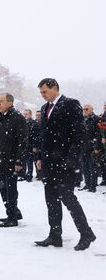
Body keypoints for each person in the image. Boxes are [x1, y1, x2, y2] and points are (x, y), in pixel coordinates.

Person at [34, 78, 96, 251]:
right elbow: (43, 136)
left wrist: (71, 159)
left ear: (55, 88)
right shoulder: (45, 108)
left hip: (65, 163)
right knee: (51, 200)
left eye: (45, 91)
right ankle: (55, 235)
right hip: (49, 162)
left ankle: (86, 233)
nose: (43, 95)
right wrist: (39, 156)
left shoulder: (71, 104)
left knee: (68, 199)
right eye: (41, 92)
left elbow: (79, 135)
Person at [0, 94, 27, 227]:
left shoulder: (17, 118)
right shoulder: (2, 117)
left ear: (10, 103)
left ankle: (12, 217)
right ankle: (12, 212)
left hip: (11, 160)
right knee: (3, 188)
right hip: (1, 159)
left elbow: (22, 141)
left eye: (1, 101)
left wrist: (18, 161)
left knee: (10, 189)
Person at [79, 104, 101, 192]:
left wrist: (96, 147)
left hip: (92, 148)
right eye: (83, 109)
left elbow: (99, 134)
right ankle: (87, 184)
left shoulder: (96, 119)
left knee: (93, 167)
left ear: (92, 109)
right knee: (85, 167)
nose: (85, 110)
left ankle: (93, 185)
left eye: (86, 109)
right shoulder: (83, 119)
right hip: (83, 147)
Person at [20, 109, 39, 182]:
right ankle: (23, 174)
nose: (25, 115)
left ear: (30, 115)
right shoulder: (22, 123)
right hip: (23, 145)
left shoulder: (33, 123)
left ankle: (29, 175)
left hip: (30, 145)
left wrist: (34, 146)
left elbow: (36, 136)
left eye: (26, 114)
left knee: (29, 162)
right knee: (23, 161)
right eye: (24, 114)